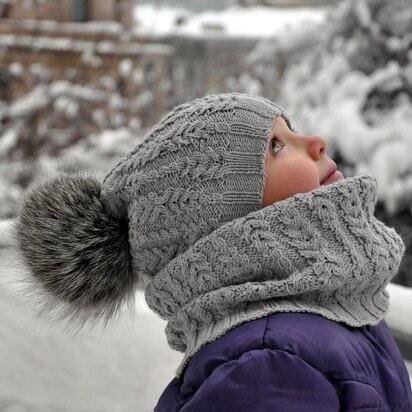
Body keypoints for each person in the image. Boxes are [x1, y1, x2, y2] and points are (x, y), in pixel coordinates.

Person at [15, 93, 412, 411]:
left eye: (291, 130)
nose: (315, 142)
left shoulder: (338, 306)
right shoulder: (268, 364)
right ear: (225, 223)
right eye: (276, 146)